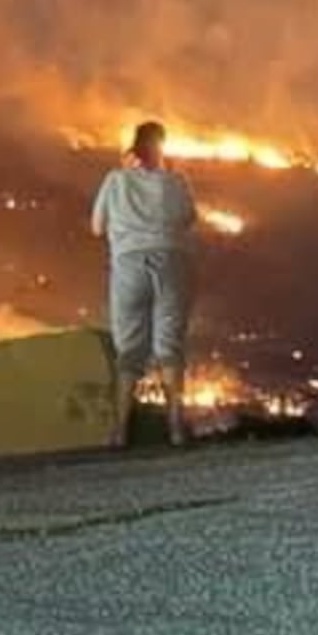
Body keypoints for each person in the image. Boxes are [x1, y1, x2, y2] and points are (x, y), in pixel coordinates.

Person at [89, 120, 199, 446]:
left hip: (128, 264)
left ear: (134, 146)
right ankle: (177, 429)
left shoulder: (115, 180)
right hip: (171, 263)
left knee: (129, 349)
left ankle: (120, 431)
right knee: (169, 347)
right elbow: (189, 219)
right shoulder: (176, 182)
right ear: (162, 147)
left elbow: (97, 227)